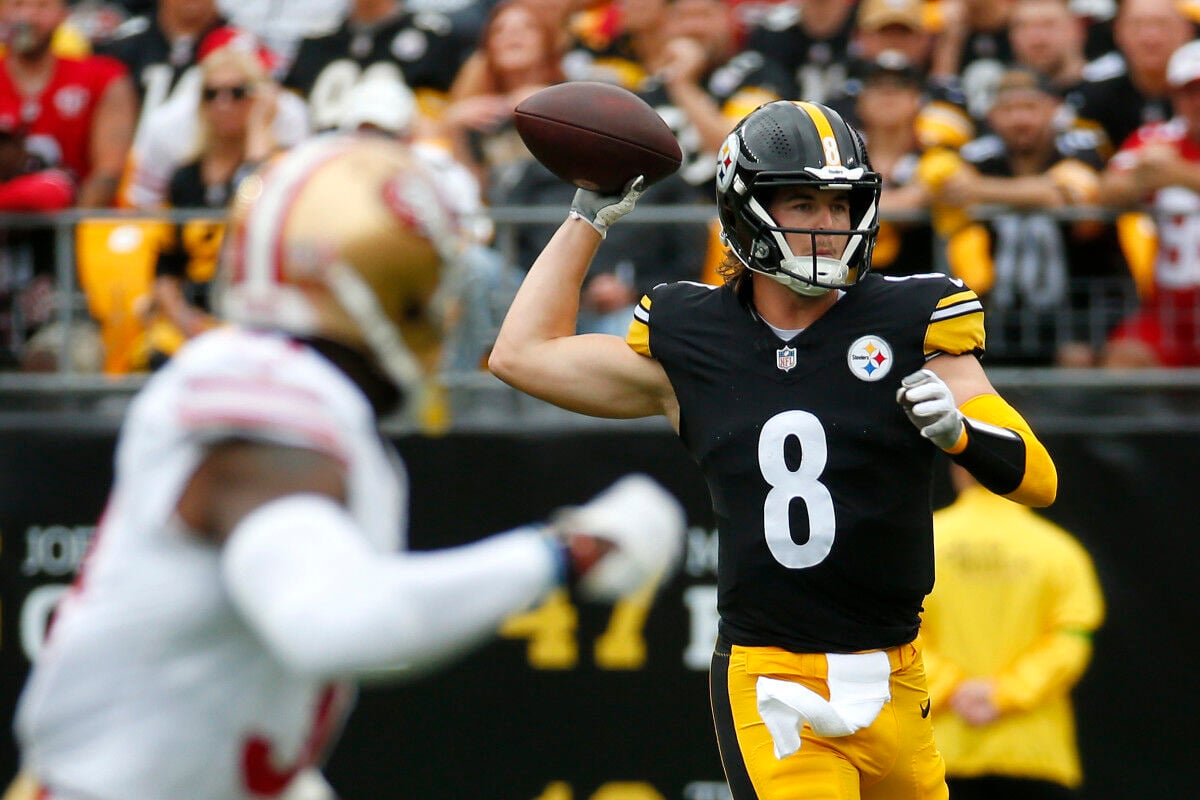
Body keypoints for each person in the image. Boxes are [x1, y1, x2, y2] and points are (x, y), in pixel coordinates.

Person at [9, 133, 687, 800]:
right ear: (373, 283)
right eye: (424, 286)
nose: (440, 313)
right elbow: (335, 622)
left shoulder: (281, 388)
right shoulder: (269, 406)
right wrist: (566, 554)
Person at [489, 99, 1058, 800]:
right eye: (802, 204)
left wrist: (961, 434)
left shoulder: (914, 319)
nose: (828, 227)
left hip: (897, 679)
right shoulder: (694, 336)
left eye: (840, 206)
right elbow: (521, 354)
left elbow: (1039, 479)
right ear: (744, 210)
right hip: (774, 681)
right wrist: (589, 213)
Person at [921, 464, 1104, 800]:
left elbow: (898, 634)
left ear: (958, 470)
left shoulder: (922, 543)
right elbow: (1073, 639)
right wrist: (1005, 693)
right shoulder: (1059, 551)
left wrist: (952, 688)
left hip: (938, 750)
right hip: (1034, 753)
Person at [929, 67, 1131, 367]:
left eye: (1030, 107)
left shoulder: (1081, 147)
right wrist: (1036, 192)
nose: (1020, 120)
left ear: (1053, 109)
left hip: (1078, 303)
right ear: (993, 115)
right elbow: (951, 186)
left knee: (1077, 360)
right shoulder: (979, 155)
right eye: (1009, 109)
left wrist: (982, 190)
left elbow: (1068, 194)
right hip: (998, 305)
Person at [143, 42, 283, 366]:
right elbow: (166, 265)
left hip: (259, 320)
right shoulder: (185, 177)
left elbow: (258, 192)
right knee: (157, 356)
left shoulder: (278, 167)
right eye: (211, 94)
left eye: (237, 92)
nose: (223, 104)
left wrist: (261, 127)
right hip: (195, 318)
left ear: (257, 99)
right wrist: (183, 318)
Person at [1096, 38, 1200, 367]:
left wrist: (1177, 174)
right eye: (1189, 91)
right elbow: (1106, 192)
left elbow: (1175, 173)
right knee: (1123, 359)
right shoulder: (1156, 139)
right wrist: (1142, 176)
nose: (1198, 101)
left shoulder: (1167, 159)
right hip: (1170, 311)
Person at [0, 0, 136, 206]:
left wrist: (70, 230)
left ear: (62, 13)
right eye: (18, 5)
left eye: (42, 6)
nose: (28, 17)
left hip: (79, 219)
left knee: (52, 191)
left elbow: (108, 172)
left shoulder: (103, 77)